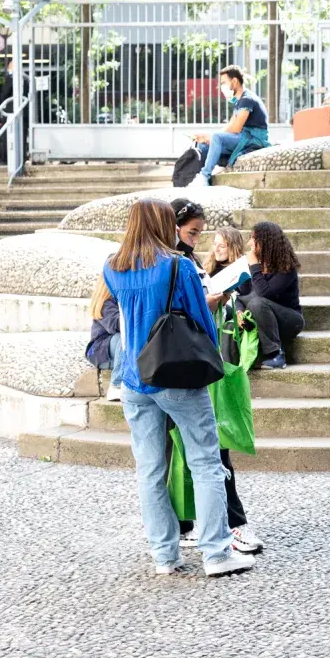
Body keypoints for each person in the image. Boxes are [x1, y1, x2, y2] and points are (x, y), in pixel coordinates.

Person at [102, 199, 254, 577]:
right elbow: (202, 321)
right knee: (205, 461)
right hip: (176, 375)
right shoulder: (178, 266)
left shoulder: (112, 267)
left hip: (135, 378)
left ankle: (165, 557)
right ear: (164, 224)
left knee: (150, 469)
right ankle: (217, 553)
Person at [171, 200, 263, 555]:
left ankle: (178, 532)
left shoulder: (171, 260)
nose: (197, 239)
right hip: (183, 363)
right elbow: (180, 310)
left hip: (171, 365)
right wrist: (209, 302)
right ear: (172, 226)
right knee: (213, 452)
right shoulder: (173, 263)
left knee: (186, 453)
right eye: (192, 232)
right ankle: (230, 530)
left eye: (199, 233)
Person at [240, 221, 305, 370]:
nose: (249, 243)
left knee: (257, 303)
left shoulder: (286, 267)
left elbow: (264, 294)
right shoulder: (254, 265)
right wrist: (238, 310)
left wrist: (254, 266)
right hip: (264, 320)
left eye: (253, 239)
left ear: (266, 242)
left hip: (289, 320)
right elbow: (242, 294)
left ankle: (276, 354)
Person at [191, 65, 271, 186]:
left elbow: (236, 128)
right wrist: (209, 138)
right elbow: (230, 125)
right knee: (204, 146)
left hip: (254, 139)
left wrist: (213, 137)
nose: (221, 87)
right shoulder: (239, 101)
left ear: (234, 81)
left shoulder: (247, 99)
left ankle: (204, 175)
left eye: (224, 83)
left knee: (217, 138)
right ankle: (208, 174)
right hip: (244, 137)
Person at [85, 275, 123, 401]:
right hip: (99, 351)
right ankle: (116, 385)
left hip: (115, 356)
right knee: (124, 338)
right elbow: (115, 325)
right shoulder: (106, 302)